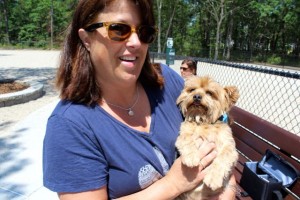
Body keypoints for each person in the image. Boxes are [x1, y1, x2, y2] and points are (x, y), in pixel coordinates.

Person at [43, 0, 237, 199]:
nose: (136, 42)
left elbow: (219, 134)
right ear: (86, 39)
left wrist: (228, 189)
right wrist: (173, 184)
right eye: (119, 29)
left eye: (144, 32)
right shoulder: (70, 125)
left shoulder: (167, 83)